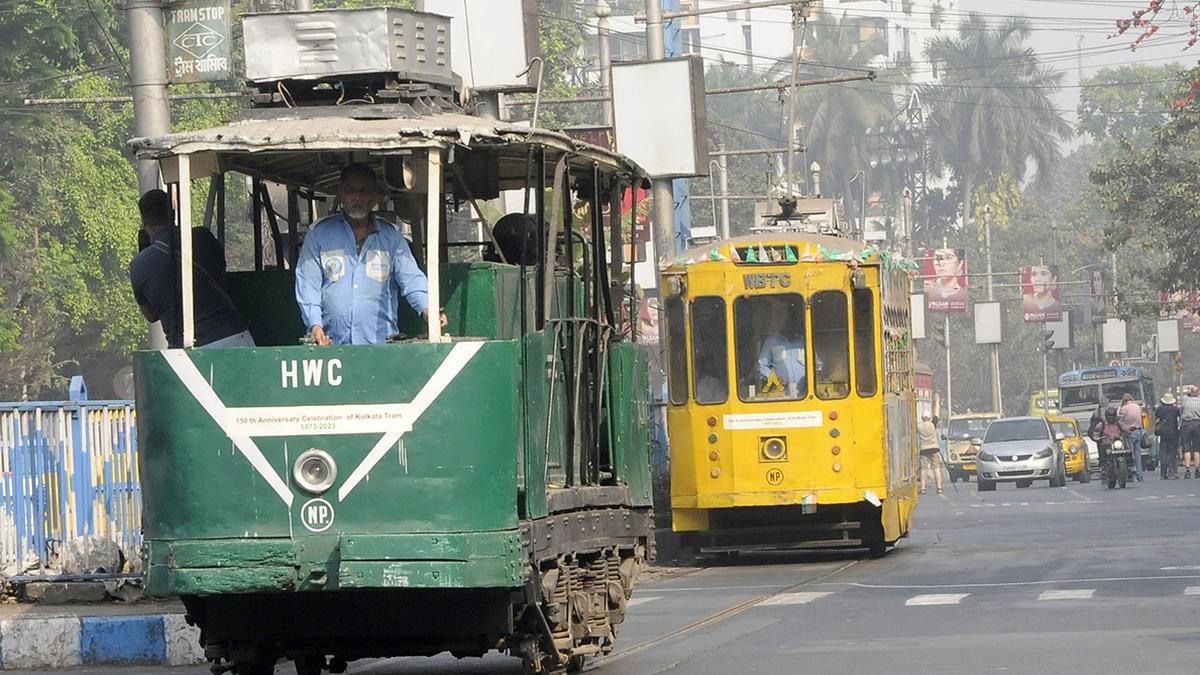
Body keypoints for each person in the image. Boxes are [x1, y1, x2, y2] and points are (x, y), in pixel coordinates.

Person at [295, 163, 446, 345]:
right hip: (330, 346)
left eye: (364, 190)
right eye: (351, 190)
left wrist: (428, 308)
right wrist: (315, 326)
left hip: (380, 349)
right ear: (341, 194)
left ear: (374, 196)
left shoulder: (391, 237)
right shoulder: (319, 233)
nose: (357, 196)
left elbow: (411, 278)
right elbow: (308, 283)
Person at [129, 189, 254, 349]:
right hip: (234, 337)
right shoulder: (203, 237)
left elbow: (151, 316)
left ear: (144, 223)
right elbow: (222, 278)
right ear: (173, 213)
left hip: (186, 352)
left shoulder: (138, 265)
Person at [756, 309, 806, 397]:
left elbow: (817, 365)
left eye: (793, 321)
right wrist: (774, 377)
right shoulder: (771, 342)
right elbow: (761, 366)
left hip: (806, 394)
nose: (790, 325)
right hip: (781, 395)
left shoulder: (805, 342)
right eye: (787, 321)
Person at [1117, 393, 1144, 481]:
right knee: (1138, 455)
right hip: (1138, 431)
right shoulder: (1137, 407)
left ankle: (1132, 473)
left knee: (1130, 454)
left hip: (1129, 433)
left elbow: (1119, 421)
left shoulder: (1124, 409)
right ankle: (1140, 474)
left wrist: (1126, 429)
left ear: (1124, 401)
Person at [1156, 393, 1182, 479]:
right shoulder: (1176, 409)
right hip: (1173, 432)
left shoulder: (1159, 409)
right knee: (1172, 453)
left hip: (1163, 433)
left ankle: (1163, 474)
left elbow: (1156, 418)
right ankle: (1172, 472)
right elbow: (1179, 420)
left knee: (1163, 453)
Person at [917, 414, 942, 495]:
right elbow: (936, 417)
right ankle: (939, 487)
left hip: (924, 449)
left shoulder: (919, 426)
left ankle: (923, 488)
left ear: (922, 418)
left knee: (924, 469)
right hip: (934, 448)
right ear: (929, 417)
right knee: (937, 468)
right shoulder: (933, 425)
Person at [1180, 386, 1200, 478]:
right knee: (1197, 448)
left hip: (1186, 424)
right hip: (1197, 424)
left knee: (1186, 448)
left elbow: (1181, 411)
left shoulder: (1185, 401)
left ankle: (1187, 470)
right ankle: (1197, 469)